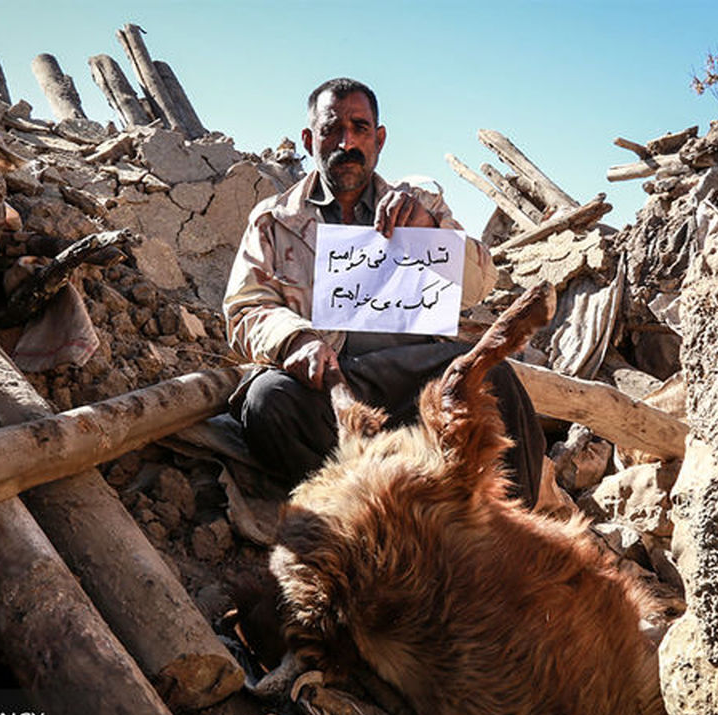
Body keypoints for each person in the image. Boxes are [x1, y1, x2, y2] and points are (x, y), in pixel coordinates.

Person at [223, 77, 544, 505]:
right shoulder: (275, 220)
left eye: (359, 127)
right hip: (333, 383)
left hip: (414, 378)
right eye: (331, 129)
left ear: (380, 138)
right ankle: (361, 512)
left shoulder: (419, 205)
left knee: (493, 378)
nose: (347, 141)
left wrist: (427, 232)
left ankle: (508, 537)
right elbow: (245, 308)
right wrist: (295, 340)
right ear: (308, 138)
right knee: (267, 403)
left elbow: (478, 287)